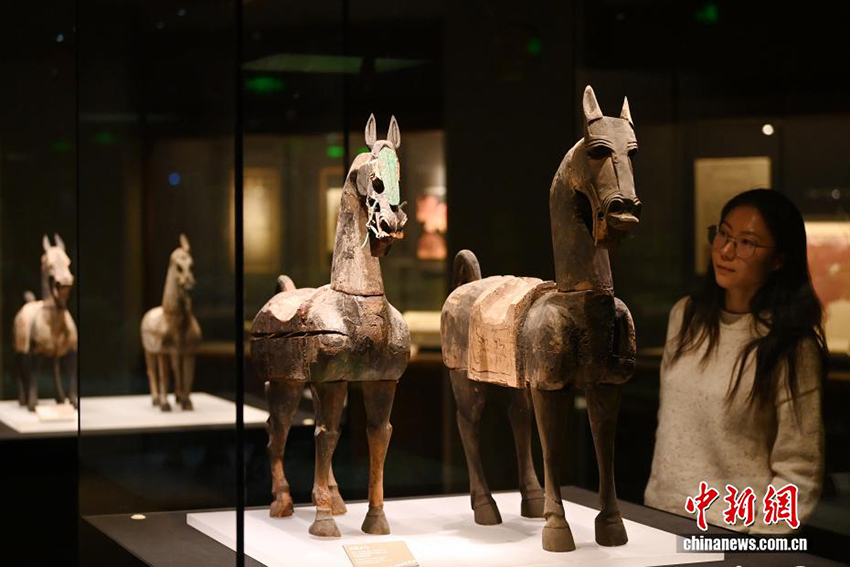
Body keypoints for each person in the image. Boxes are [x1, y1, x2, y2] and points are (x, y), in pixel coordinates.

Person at [644, 189, 826, 533]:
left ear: (778, 259)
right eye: (724, 234)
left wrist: (759, 541)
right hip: (660, 517)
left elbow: (800, 469)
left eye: (747, 243)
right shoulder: (686, 315)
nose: (726, 251)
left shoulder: (792, 345)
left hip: (733, 533)